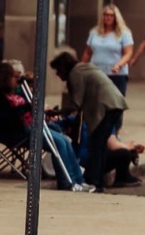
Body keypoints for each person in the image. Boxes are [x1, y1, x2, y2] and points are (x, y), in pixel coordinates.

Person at [0, 61, 91, 191]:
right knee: (59, 143)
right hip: (16, 133)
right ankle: (67, 182)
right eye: (13, 77)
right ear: (4, 78)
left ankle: (78, 179)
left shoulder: (9, 93)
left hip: (25, 128)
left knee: (64, 140)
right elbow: (6, 117)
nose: (16, 80)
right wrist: (25, 108)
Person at [51, 49, 127, 192]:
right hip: (115, 104)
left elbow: (76, 102)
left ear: (63, 68)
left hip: (106, 106)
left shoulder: (76, 73)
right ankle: (98, 182)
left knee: (96, 145)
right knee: (100, 145)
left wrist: (59, 112)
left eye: (57, 70)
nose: (57, 74)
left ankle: (94, 182)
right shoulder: (84, 67)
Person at [83, 4, 135, 96]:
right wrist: (82, 67)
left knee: (115, 104)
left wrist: (118, 65)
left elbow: (128, 53)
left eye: (111, 15)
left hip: (116, 75)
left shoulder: (124, 33)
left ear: (116, 18)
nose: (108, 18)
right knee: (97, 103)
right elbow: (87, 52)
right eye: (106, 15)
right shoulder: (94, 33)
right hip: (97, 73)